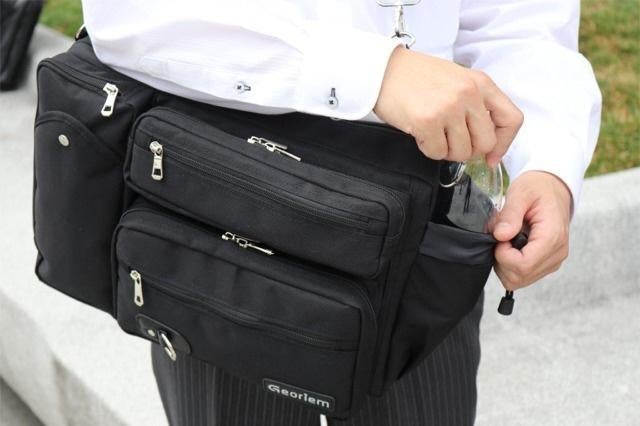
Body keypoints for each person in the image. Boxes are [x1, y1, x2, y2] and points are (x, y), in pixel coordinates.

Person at [81, 1, 601, 424]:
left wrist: (548, 162)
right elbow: (126, 14)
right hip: (221, 216)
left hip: (421, 236)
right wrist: (373, 73)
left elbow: (519, 21)